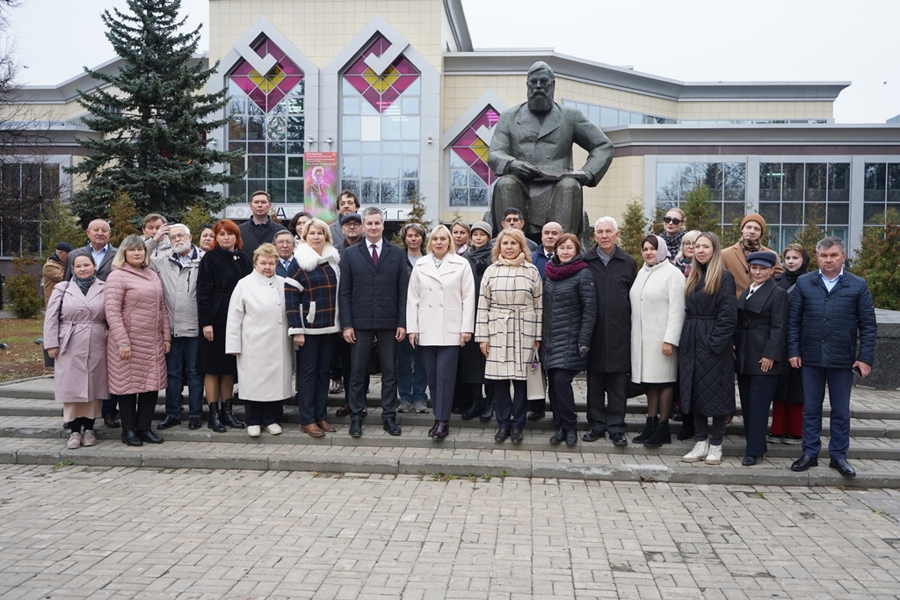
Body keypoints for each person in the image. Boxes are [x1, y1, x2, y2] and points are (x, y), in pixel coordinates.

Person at [488, 61, 613, 240]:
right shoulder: (509, 116)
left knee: (570, 186)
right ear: (527, 85)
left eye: (543, 82)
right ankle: (510, 245)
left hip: (558, 184)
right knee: (505, 184)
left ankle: (564, 252)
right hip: (521, 182)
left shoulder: (570, 116)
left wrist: (587, 173)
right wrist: (512, 164)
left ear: (552, 84)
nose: (538, 86)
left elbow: (603, 146)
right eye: (534, 82)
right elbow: (495, 152)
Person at [787, 236, 877, 478]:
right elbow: (793, 321)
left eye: (833, 255)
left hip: (842, 359)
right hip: (810, 357)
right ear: (817, 258)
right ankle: (809, 453)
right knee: (811, 409)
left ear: (843, 257)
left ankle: (838, 456)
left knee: (840, 411)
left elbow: (868, 325)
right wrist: (793, 351)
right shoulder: (805, 283)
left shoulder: (858, 285)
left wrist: (865, 358)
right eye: (824, 256)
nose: (828, 260)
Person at [339, 207, 409, 438]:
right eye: (368, 224)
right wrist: (347, 324)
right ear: (362, 226)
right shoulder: (349, 254)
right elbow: (345, 292)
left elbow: (403, 291)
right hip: (359, 321)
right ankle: (357, 416)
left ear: (383, 224)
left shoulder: (397, 253)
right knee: (357, 373)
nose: (373, 227)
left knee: (390, 372)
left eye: (377, 223)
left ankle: (389, 416)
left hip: (389, 321)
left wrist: (402, 323)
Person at [407, 225, 476, 440]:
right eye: (435, 238)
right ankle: (438, 417)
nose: (439, 242)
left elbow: (468, 297)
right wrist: (413, 329)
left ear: (449, 242)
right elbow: (413, 298)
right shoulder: (421, 264)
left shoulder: (461, 263)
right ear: (430, 242)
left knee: (445, 375)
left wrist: (466, 328)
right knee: (433, 376)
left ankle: (443, 421)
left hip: (451, 328)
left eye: (443, 239)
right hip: (427, 327)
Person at [475, 228, 542, 445]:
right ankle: (503, 423)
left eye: (514, 243)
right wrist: (482, 337)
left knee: (522, 380)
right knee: (501, 380)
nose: (509, 247)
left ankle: (518, 424)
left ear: (521, 246)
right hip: (497, 330)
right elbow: (483, 306)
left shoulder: (531, 271)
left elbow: (539, 305)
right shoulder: (491, 271)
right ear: (499, 247)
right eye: (505, 244)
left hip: (525, 328)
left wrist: (537, 336)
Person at [105, 235, 170, 447]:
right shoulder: (117, 277)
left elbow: (162, 308)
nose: (137, 253)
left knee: (151, 386)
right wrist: (123, 341)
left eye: (140, 250)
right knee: (127, 388)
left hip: (152, 341)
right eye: (132, 250)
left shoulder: (151, 274)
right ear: (124, 253)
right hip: (127, 343)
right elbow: (112, 311)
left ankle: (144, 428)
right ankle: (129, 431)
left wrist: (166, 337)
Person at [679, 232, 738, 466]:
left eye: (705, 246)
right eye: (697, 246)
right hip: (691, 341)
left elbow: (728, 316)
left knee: (717, 394)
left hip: (712, 343)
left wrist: (714, 343)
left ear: (714, 250)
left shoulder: (724, 277)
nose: (700, 250)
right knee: (695, 392)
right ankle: (700, 441)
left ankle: (716, 443)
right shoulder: (693, 276)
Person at [226, 243, 294, 437]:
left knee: (275, 384)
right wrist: (233, 344)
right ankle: (253, 420)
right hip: (253, 343)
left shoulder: (283, 282)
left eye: (272, 263)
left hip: (278, 343)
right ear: (255, 263)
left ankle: (272, 419)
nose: (267, 267)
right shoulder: (244, 284)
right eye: (263, 263)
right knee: (254, 383)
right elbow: (234, 317)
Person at [582, 217, 636, 446]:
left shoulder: (628, 262)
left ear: (617, 234)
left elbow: (633, 298)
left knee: (617, 383)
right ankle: (595, 425)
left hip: (619, 332)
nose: (604, 235)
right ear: (594, 236)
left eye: (608, 231)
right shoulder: (585, 261)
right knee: (594, 382)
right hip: (592, 331)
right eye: (600, 232)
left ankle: (616, 428)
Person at [43, 254, 107, 449]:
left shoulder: (105, 287)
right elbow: (51, 317)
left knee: (93, 387)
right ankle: (74, 432)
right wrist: (51, 343)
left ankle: (89, 429)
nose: (82, 269)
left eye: (86, 265)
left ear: (94, 266)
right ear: (73, 268)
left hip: (97, 340)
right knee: (71, 387)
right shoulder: (62, 288)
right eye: (78, 266)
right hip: (69, 342)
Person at [285, 219, 341, 437]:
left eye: (320, 233)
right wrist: (296, 329)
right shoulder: (298, 262)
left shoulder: (333, 260)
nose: (316, 237)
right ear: (304, 237)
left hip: (330, 327)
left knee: (323, 373)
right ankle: (307, 419)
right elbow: (290, 297)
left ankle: (320, 416)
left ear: (326, 236)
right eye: (312, 233)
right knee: (307, 374)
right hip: (307, 329)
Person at [629, 235, 686, 448]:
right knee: (651, 383)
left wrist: (670, 340)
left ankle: (663, 427)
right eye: (645, 249)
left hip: (663, 341)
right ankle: (650, 424)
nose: (648, 252)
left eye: (653, 248)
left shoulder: (673, 274)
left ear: (661, 250)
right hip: (644, 341)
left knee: (664, 382)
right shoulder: (642, 272)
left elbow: (677, 310)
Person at [196, 219, 253, 433]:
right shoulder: (210, 258)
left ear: (236, 237)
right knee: (212, 368)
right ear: (216, 238)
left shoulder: (244, 259)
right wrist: (206, 323)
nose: (225, 238)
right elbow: (202, 293)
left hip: (237, 319)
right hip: (216, 318)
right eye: (221, 234)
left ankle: (227, 412)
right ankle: (213, 414)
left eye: (229, 234)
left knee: (229, 367)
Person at [734, 250, 789, 466]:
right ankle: (755, 445)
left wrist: (770, 354)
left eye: (763, 269)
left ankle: (754, 451)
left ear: (771, 270)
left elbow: (779, 327)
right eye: (754, 268)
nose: (758, 272)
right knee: (747, 402)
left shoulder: (778, 293)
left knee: (758, 405)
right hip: (746, 352)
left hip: (763, 354)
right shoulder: (748, 290)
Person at [541, 233, 596, 447]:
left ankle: (570, 426)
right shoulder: (550, 274)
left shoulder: (583, 274)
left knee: (561, 382)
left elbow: (590, 311)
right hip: (550, 340)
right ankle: (560, 427)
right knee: (553, 387)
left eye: (569, 248)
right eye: (561, 248)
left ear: (576, 251)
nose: (565, 251)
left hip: (571, 340)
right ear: (555, 251)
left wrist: (583, 342)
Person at [65, 219, 120, 429]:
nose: (100, 233)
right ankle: (75, 417)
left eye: (104, 230)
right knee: (77, 371)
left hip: (104, 320)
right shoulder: (74, 254)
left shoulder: (117, 255)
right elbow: (66, 284)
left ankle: (108, 413)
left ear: (110, 233)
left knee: (107, 370)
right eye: (96, 230)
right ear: (88, 232)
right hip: (77, 323)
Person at [151, 224, 206, 431]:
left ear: (190, 236)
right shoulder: (162, 262)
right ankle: (173, 413)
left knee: (194, 372)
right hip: (171, 329)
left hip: (195, 328)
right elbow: (138, 258)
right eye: (172, 237)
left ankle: (195, 414)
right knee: (172, 373)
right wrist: (155, 239)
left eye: (180, 235)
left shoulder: (203, 260)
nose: (176, 240)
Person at [769, 243, 810, 444]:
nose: (791, 262)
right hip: (778, 342)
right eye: (788, 258)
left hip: (800, 343)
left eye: (796, 258)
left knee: (797, 388)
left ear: (804, 260)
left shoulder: (812, 282)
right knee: (778, 386)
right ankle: (777, 429)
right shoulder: (776, 281)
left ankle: (796, 430)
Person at [526, 220, 563, 422]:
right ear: (541, 237)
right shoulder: (531, 258)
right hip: (534, 321)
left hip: (558, 323)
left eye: (554, 233)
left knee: (556, 371)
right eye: (546, 233)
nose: (550, 236)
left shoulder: (567, 257)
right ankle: (537, 407)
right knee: (535, 367)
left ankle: (559, 409)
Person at [460, 221, 494, 421]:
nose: (478, 238)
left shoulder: (494, 256)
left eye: (483, 234)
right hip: (469, 316)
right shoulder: (464, 258)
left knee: (489, 360)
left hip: (490, 316)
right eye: (476, 234)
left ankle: (490, 400)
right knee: (471, 361)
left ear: (489, 237)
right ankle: (476, 401)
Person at [396, 223, 430, 415]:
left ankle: (419, 397)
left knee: (421, 360)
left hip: (425, 316)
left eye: (417, 235)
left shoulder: (429, 259)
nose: (414, 239)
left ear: (422, 238)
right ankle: (405, 397)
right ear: (405, 238)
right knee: (403, 360)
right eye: (410, 235)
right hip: (403, 316)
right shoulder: (398, 258)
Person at [332, 211, 364, 409]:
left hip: (362, 313)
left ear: (361, 227)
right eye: (348, 224)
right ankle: (348, 401)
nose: (352, 227)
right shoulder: (334, 252)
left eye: (355, 224)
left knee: (361, 362)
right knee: (344, 360)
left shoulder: (367, 250)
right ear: (342, 228)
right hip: (338, 312)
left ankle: (359, 401)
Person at [721, 213, 783, 297]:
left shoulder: (771, 255)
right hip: (735, 304)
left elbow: (779, 280)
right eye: (748, 227)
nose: (752, 231)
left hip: (762, 305)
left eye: (757, 229)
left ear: (761, 233)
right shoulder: (725, 254)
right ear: (742, 229)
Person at [238, 189, 287, 257]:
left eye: (263, 202)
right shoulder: (239, 231)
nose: (260, 205)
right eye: (256, 202)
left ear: (270, 206)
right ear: (250, 205)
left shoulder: (281, 231)